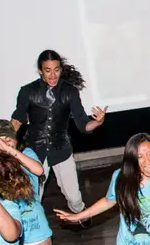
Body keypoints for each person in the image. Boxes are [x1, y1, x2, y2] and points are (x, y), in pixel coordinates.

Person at [10, 50, 107, 219]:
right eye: (48, 70)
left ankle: (81, 217)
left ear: (61, 69)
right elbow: (17, 119)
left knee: (75, 198)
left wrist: (98, 122)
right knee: (31, 199)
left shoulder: (70, 92)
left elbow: (83, 124)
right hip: (34, 151)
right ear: (41, 70)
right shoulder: (27, 91)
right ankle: (30, 235)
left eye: (56, 69)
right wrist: (6, 141)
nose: (53, 75)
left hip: (61, 149)